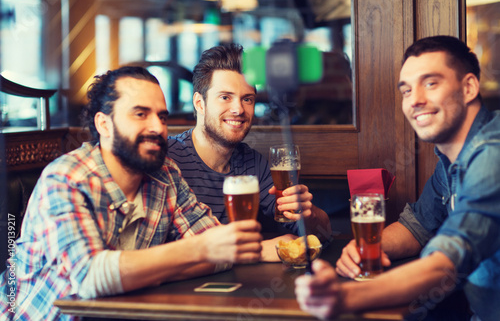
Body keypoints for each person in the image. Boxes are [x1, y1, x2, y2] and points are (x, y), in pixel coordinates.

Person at [0, 66, 263, 320]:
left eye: (162, 117)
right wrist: (197, 250)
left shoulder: (166, 174)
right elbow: (89, 277)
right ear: (104, 124)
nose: (157, 128)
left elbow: (222, 254)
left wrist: (142, 272)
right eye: (140, 114)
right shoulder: (67, 178)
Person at [295, 35, 500, 321]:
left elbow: (448, 261)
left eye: (431, 83)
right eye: (406, 90)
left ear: (468, 88)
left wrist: (346, 298)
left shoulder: (491, 154)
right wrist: (368, 247)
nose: (415, 100)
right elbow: (418, 225)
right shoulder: (452, 159)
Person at [167, 44, 332, 258]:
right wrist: (261, 250)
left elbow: (323, 235)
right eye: (225, 97)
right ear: (199, 103)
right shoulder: (168, 157)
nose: (238, 109)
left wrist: (308, 214)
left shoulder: (252, 164)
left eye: (247, 99)